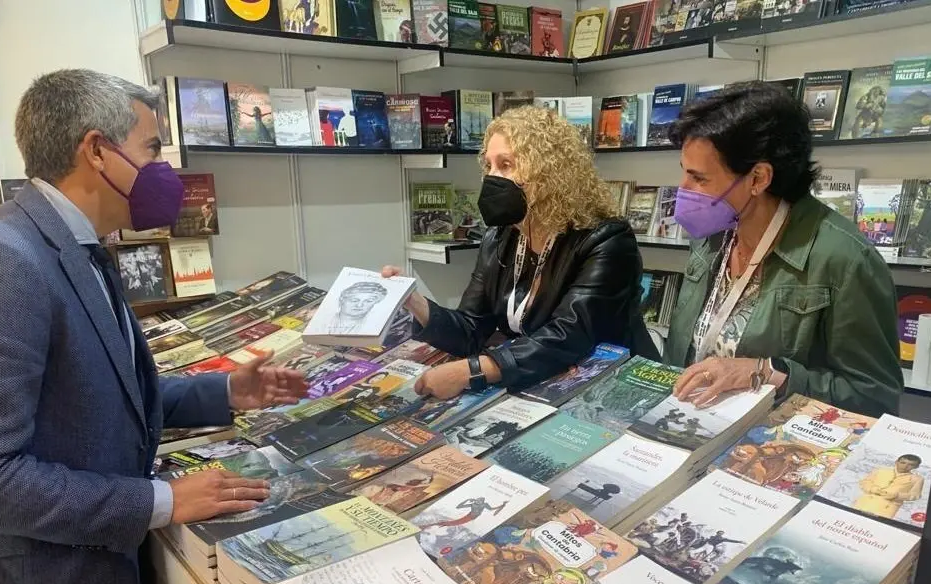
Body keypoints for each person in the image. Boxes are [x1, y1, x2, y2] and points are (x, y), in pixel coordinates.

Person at [0, 69, 308, 584]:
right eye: (152, 148)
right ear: (95, 151)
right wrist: (161, 500)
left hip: (106, 575)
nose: (165, 169)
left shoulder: (78, 243)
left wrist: (224, 390)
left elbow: (93, 394)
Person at [662, 81, 901, 417]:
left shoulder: (845, 259)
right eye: (684, 174)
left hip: (774, 444)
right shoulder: (713, 235)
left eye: (699, 179)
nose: (683, 190)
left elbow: (874, 397)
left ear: (758, 178)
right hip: (692, 425)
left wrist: (766, 372)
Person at [383, 106, 657, 399]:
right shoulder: (500, 236)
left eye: (506, 164)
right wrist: (414, 302)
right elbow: (472, 326)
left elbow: (569, 336)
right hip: (541, 379)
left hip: (613, 386)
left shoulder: (607, 239)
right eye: (488, 165)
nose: (492, 177)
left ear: (549, 171)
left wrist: (471, 370)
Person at [853, 454, 924, 518]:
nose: (905, 466)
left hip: (888, 507)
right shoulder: (881, 470)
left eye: (911, 465)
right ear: (896, 462)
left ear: (916, 467)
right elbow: (865, 482)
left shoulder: (917, 479)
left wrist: (897, 495)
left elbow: (915, 495)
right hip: (865, 502)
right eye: (903, 462)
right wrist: (873, 489)